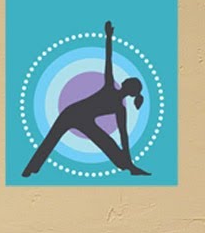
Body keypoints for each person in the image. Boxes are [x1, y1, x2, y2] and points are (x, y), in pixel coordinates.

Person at [22, 21, 151, 177]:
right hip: (71, 114)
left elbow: (124, 137)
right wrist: (108, 37)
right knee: (50, 140)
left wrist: (129, 162)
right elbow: (108, 59)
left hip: (85, 121)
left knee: (108, 143)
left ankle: (128, 166)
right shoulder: (113, 95)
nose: (125, 81)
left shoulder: (118, 105)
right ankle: (30, 169)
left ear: (127, 87)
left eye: (128, 81)